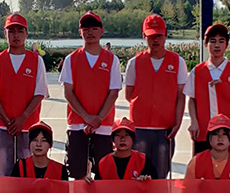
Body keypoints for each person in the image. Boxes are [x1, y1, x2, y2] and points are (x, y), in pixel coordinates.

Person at [0, 13, 48, 176]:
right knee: (3, 169)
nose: (16, 35)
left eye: (20, 31)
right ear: (5, 34)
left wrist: (23, 118)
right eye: (11, 31)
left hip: (29, 126)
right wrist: (7, 120)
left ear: (26, 33)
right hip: (2, 125)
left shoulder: (36, 61)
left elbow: (39, 93)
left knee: (28, 169)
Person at [59, 11, 121, 179]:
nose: (90, 32)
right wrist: (86, 117)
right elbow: (68, 92)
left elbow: (113, 93)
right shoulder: (71, 59)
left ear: (101, 31)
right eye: (85, 29)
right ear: (80, 32)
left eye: (94, 28)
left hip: (103, 125)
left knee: (103, 173)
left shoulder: (111, 60)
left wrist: (98, 119)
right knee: (77, 172)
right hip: (77, 124)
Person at [124, 14, 187, 178]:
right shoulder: (134, 63)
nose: (156, 40)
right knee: (138, 174)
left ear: (166, 35)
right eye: (151, 36)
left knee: (160, 175)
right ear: (144, 36)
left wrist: (177, 123)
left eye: (159, 35)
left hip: (164, 130)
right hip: (139, 128)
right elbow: (128, 94)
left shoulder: (178, 62)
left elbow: (181, 96)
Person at [184, 23, 230, 154]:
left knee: (229, 164)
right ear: (206, 44)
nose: (217, 45)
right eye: (212, 41)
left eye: (221, 41)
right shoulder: (197, 71)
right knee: (201, 164)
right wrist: (194, 122)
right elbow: (192, 99)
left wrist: (226, 88)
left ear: (227, 45)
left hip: (228, 132)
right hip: (203, 131)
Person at [91, 118, 156, 181]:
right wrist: (89, 183)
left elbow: (155, 182)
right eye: (118, 135)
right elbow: (97, 186)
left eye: (126, 135)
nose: (122, 139)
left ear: (133, 139)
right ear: (113, 140)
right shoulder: (103, 163)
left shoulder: (143, 161)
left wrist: (147, 180)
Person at [185, 114, 230, 180]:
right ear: (209, 138)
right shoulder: (196, 161)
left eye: (224, 134)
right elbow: (188, 185)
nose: (220, 138)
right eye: (215, 134)